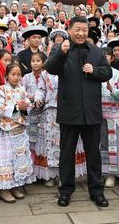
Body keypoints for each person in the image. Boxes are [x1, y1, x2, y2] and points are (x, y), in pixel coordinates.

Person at [45, 16, 112, 208]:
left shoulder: (96, 51)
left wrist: (95, 70)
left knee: (94, 154)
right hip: (69, 111)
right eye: (78, 29)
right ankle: (65, 191)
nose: (81, 33)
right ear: (69, 30)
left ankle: (96, 192)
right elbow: (50, 68)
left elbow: (107, 72)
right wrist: (61, 53)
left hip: (91, 112)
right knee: (67, 154)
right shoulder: (60, 49)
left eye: (84, 30)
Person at [0, 63, 35, 203]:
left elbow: (28, 105)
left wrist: (25, 108)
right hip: (6, 130)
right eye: (13, 74)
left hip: (19, 129)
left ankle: (15, 186)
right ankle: (4, 189)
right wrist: (16, 107)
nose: (16, 77)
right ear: (7, 76)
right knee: (6, 158)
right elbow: (0, 109)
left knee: (17, 158)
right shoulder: (1, 90)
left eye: (18, 75)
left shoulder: (22, 89)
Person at [99, 47, 119, 188]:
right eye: (101, 55)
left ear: (112, 58)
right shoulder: (94, 72)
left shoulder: (117, 74)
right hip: (97, 115)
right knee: (99, 145)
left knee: (113, 145)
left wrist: (111, 89)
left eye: (107, 55)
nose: (104, 57)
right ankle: (100, 172)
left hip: (113, 115)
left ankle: (111, 174)